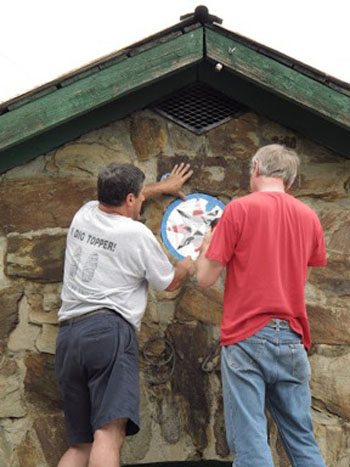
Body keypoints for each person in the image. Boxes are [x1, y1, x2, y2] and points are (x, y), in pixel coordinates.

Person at [55, 162, 195, 467]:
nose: (144, 198)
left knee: (81, 445)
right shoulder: (137, 234)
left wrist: (162, 187)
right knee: (108, 434)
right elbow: (168, 283)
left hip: (68, 336)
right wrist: (186, 265)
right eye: (140, 195)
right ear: (130, 199)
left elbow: (131, 196)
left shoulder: (85, 213)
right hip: (108, 333)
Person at [196, 145, 326, 467]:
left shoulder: (238, 210)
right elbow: (301, 279)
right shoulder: (309, 216)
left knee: (252, 442)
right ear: (290, 181)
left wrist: (205, 247)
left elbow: (205, 279)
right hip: (293, 337)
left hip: (246, 335)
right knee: (301, 439)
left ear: (255, 168)